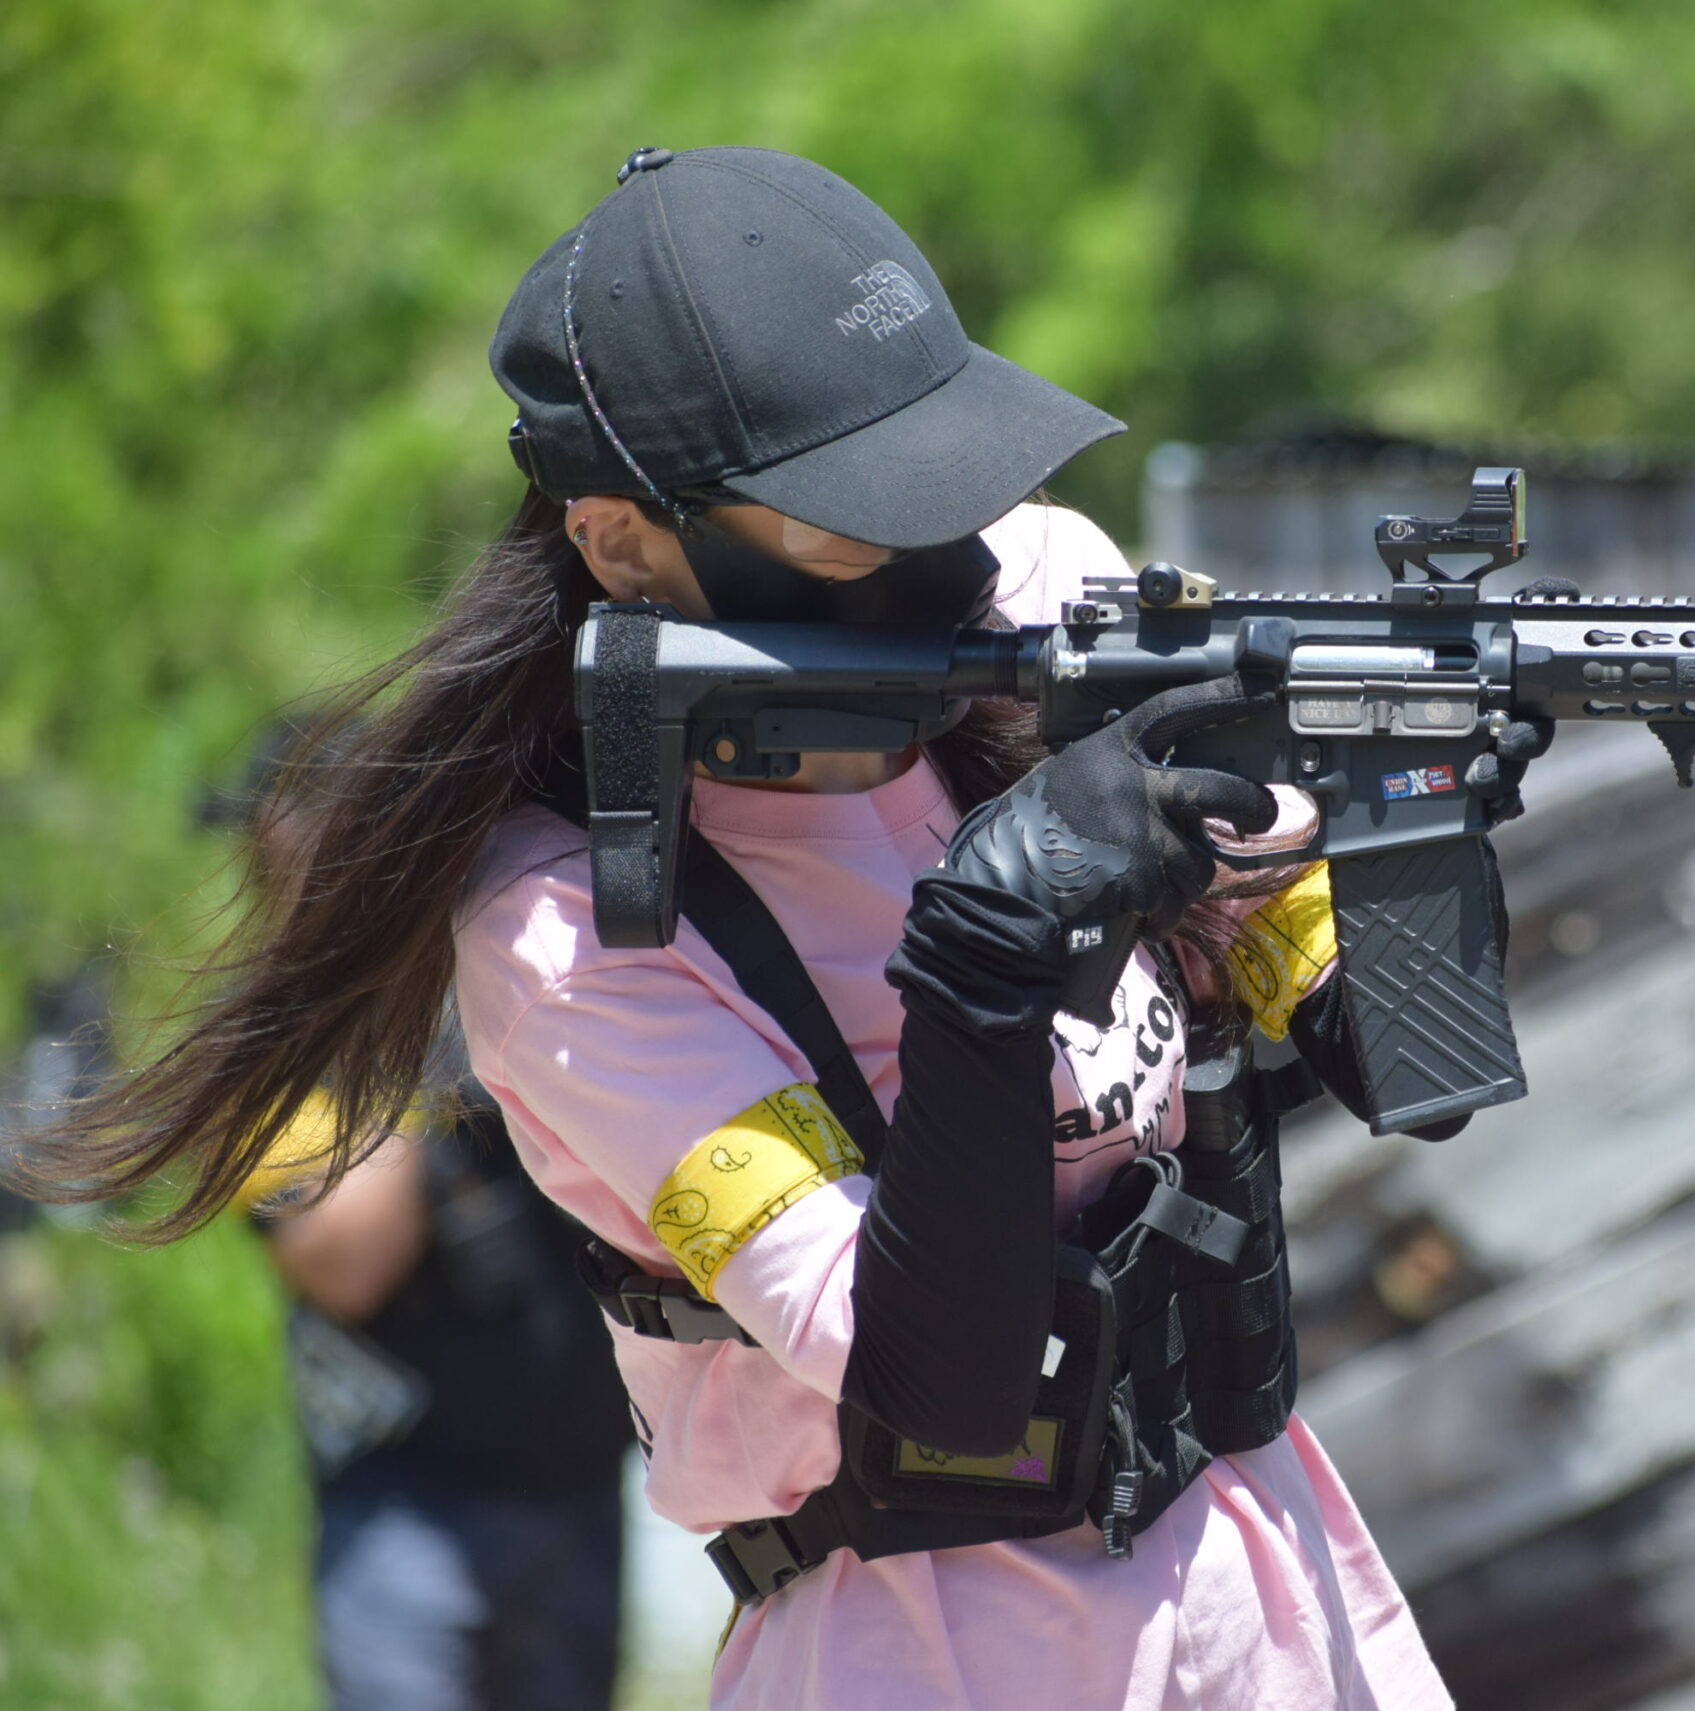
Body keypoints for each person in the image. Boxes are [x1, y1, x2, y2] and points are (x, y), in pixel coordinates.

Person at [15, 146, 1470, 1708]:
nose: (957, 554)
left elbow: (1420, 1060)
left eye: (948, 474)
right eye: (858, 513)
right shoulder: (569, 928)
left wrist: (1411, 783)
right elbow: (942, 1381)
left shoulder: (1042, 591)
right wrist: (995, 935)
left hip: (1268, 1574)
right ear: (621, 540)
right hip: (926, 1640)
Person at [206, 727, 633, 1711]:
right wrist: (426, 1038)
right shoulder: (273, 1048)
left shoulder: (515, 967)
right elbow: (344, 1256)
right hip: (407, 1506)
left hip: (578, 1491)